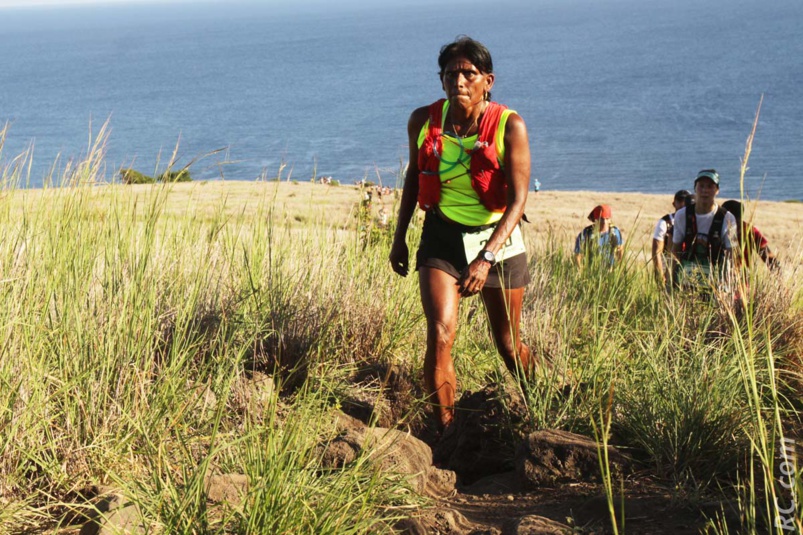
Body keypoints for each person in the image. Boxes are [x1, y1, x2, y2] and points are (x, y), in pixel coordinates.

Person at [388, 36, 533, 431]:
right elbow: (414, 179)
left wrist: (486, 258)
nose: (459, 80)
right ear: (441, 81)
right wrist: (399, 236)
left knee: (507, 345)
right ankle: (446, 434)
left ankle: (539, 402)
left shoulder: (510, 125)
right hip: (442, 236)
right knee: (440, 333)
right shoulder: (423, 120)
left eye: (469, 73)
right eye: (451, 73)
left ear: (488, 80)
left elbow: (518, 201)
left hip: (498, 241)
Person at [670, 169, 737, 290]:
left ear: (717, 190)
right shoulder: (682, 215)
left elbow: (731, 254)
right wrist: (672, 281)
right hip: (686, 280)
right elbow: (676, 249)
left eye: (710, 186)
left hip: (715, 283)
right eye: (701, 186)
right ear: (695, 188)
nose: (705, 190)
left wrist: (727, 285)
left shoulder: (727, 218)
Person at [721, 200, 780, 270]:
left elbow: (768, 256)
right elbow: (768, 256)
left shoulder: (749, 231)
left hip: (731, 277)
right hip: (742, 277)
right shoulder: (750, 230)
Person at [651, 189, 691, 287]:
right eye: (680, 200)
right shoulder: (665, 222)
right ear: (674, 203)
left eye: (685, 201)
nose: (683, 204)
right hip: (667, 266)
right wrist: (661, 274)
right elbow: (656, 252)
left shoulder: (693, 222)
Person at [573, 204, 623, 269]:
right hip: (591, 270)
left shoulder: (615, 233)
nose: (604, 222)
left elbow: (620, 250)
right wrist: (581, 270)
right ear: (596, 220)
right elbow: (578, 255)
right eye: (601, 219)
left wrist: (617, 267)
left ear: (610, 220)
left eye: (607, 219)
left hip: (610, 270)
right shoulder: (586, 233)